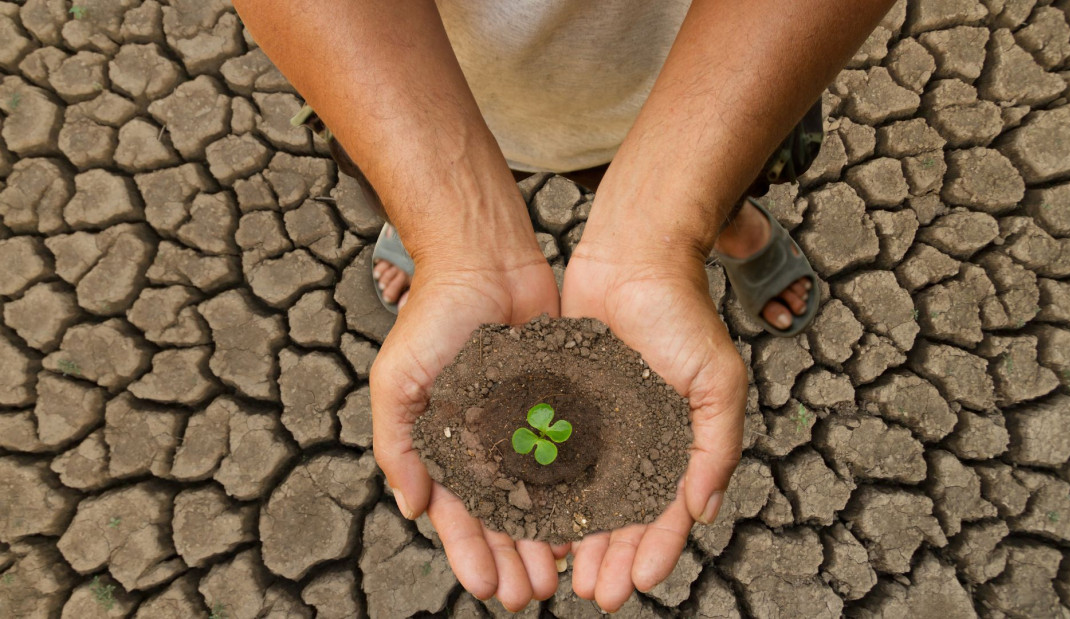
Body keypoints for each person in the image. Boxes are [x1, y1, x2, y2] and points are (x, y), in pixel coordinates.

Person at [234, 1, 894, 612]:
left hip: (718, 85)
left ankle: (720, 226)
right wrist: (450, 230)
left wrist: (664, 232)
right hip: (410, 87)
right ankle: (433, 232)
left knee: (722, 186)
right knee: (408, 189)